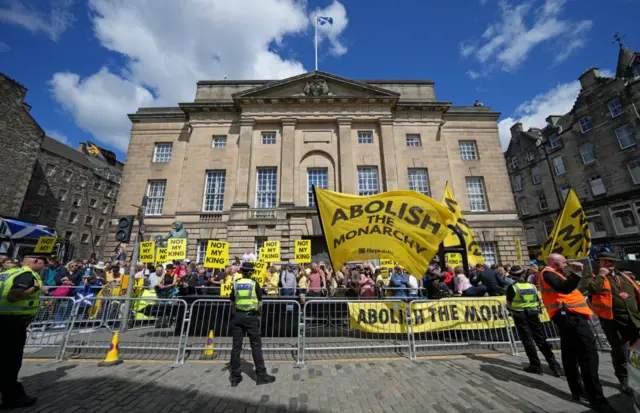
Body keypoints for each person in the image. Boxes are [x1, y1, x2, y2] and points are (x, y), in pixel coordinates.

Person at [540, 253, 607, 408]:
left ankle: (577, 390)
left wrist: (574, 275)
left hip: (568, 316)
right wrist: (576, 273)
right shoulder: (548, 273)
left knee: (570, 354)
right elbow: (565, 288)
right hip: (570, 316)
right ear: (555, 263)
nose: (566, 264)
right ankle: (596, 398)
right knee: (588, 353)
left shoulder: (555, 274)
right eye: (564, 262)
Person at [589, 252, 640, 395]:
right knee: (621, 353)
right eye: (605, 262)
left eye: (611, 262)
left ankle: (636, 377)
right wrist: (602, 274)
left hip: (632, 319)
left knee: (636, 351)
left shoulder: (624, 277)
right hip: (613, 321)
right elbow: (594, 289)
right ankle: (624, 380)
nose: (609, 264)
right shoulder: (595, 277)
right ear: (600, 263)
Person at [0, 254, 46, 409]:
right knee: (10, 362)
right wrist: (33, 288)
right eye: (43, 263)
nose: (44, 267)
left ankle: (13, 394)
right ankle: (12, 398)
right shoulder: (26, 276)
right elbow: (13, 296)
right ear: (35, 261)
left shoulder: (6, 274)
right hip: (11, 323)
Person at [506, 265, 562, 377]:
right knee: (541, 339)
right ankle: (555, 367)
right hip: (533, 314)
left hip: (520, 315)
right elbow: (536, 299)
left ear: (512, 276)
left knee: (527, 340)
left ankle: (535, 365)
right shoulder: (532, 286)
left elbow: (508, 302)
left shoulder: (512, 287)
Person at [228, 262, 276, 387]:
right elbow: (260, 301)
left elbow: (232, 300)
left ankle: (235, 377)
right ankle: (261, 375)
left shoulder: (236, 283)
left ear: (242, 271)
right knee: (256, 346)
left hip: (237, 316)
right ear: (252, 272)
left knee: (236, 347)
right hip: (251, 317)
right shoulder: (254, 284)